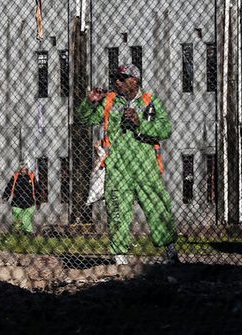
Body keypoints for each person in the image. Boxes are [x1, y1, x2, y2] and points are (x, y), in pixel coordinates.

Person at [76, 64, 179, 265]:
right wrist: (90, 103)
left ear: (135, 80)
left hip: (145, 167)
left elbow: (165, 129)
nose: (117, 82)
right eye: (116, 78)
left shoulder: (150, 102)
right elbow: (84, 119)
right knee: (117, 211)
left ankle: (170, 252)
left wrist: (141, 122)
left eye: (122, 78)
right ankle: (120, 258)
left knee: (157, 207)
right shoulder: (109, 102)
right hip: (117, 168)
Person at [2, 165, 40, 235]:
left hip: (29, 202)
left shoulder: (31, 176)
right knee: (17, 221)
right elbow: (9, 186)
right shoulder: (15, 176)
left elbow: (37, 189)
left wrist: (38, 201)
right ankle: (17, 233)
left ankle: (28, 234)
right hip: (16, 202)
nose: (23, 170)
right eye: (22, 169)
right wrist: (5, 196)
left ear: (27, 169)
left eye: (25, 169)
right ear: (19, 169)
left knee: (27, 220)